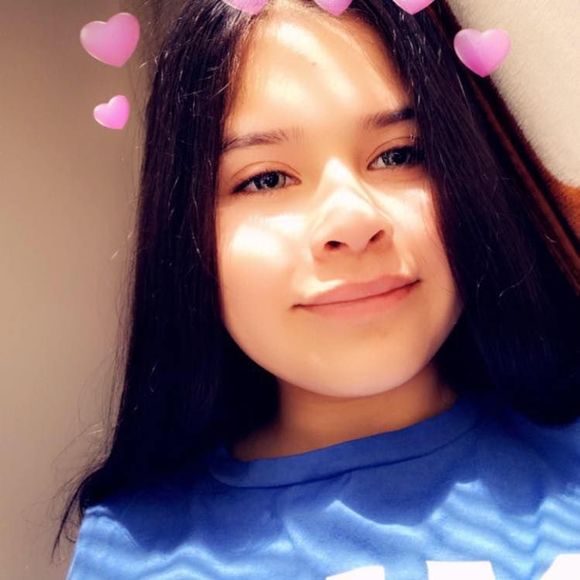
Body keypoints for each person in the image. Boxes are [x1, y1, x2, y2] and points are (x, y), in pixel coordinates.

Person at [58, 0, 580, 578]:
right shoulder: (137, 553)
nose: (352, 222)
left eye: (400, 154)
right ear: (187, 237)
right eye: (266, 179)